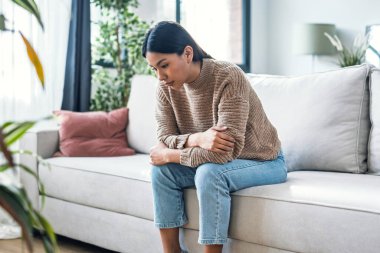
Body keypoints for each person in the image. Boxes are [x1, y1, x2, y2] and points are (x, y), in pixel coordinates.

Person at [142, 21, 288, 253]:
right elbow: (164, 135)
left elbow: (223, 154)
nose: (160, 76)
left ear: (187, 53)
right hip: (211, 156)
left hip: (264, 161)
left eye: (164, 65)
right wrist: (198, 139)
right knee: (161, 172)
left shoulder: (228, 76)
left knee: (209, 173)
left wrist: (170, 154)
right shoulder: (165, 88)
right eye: (154, 69)